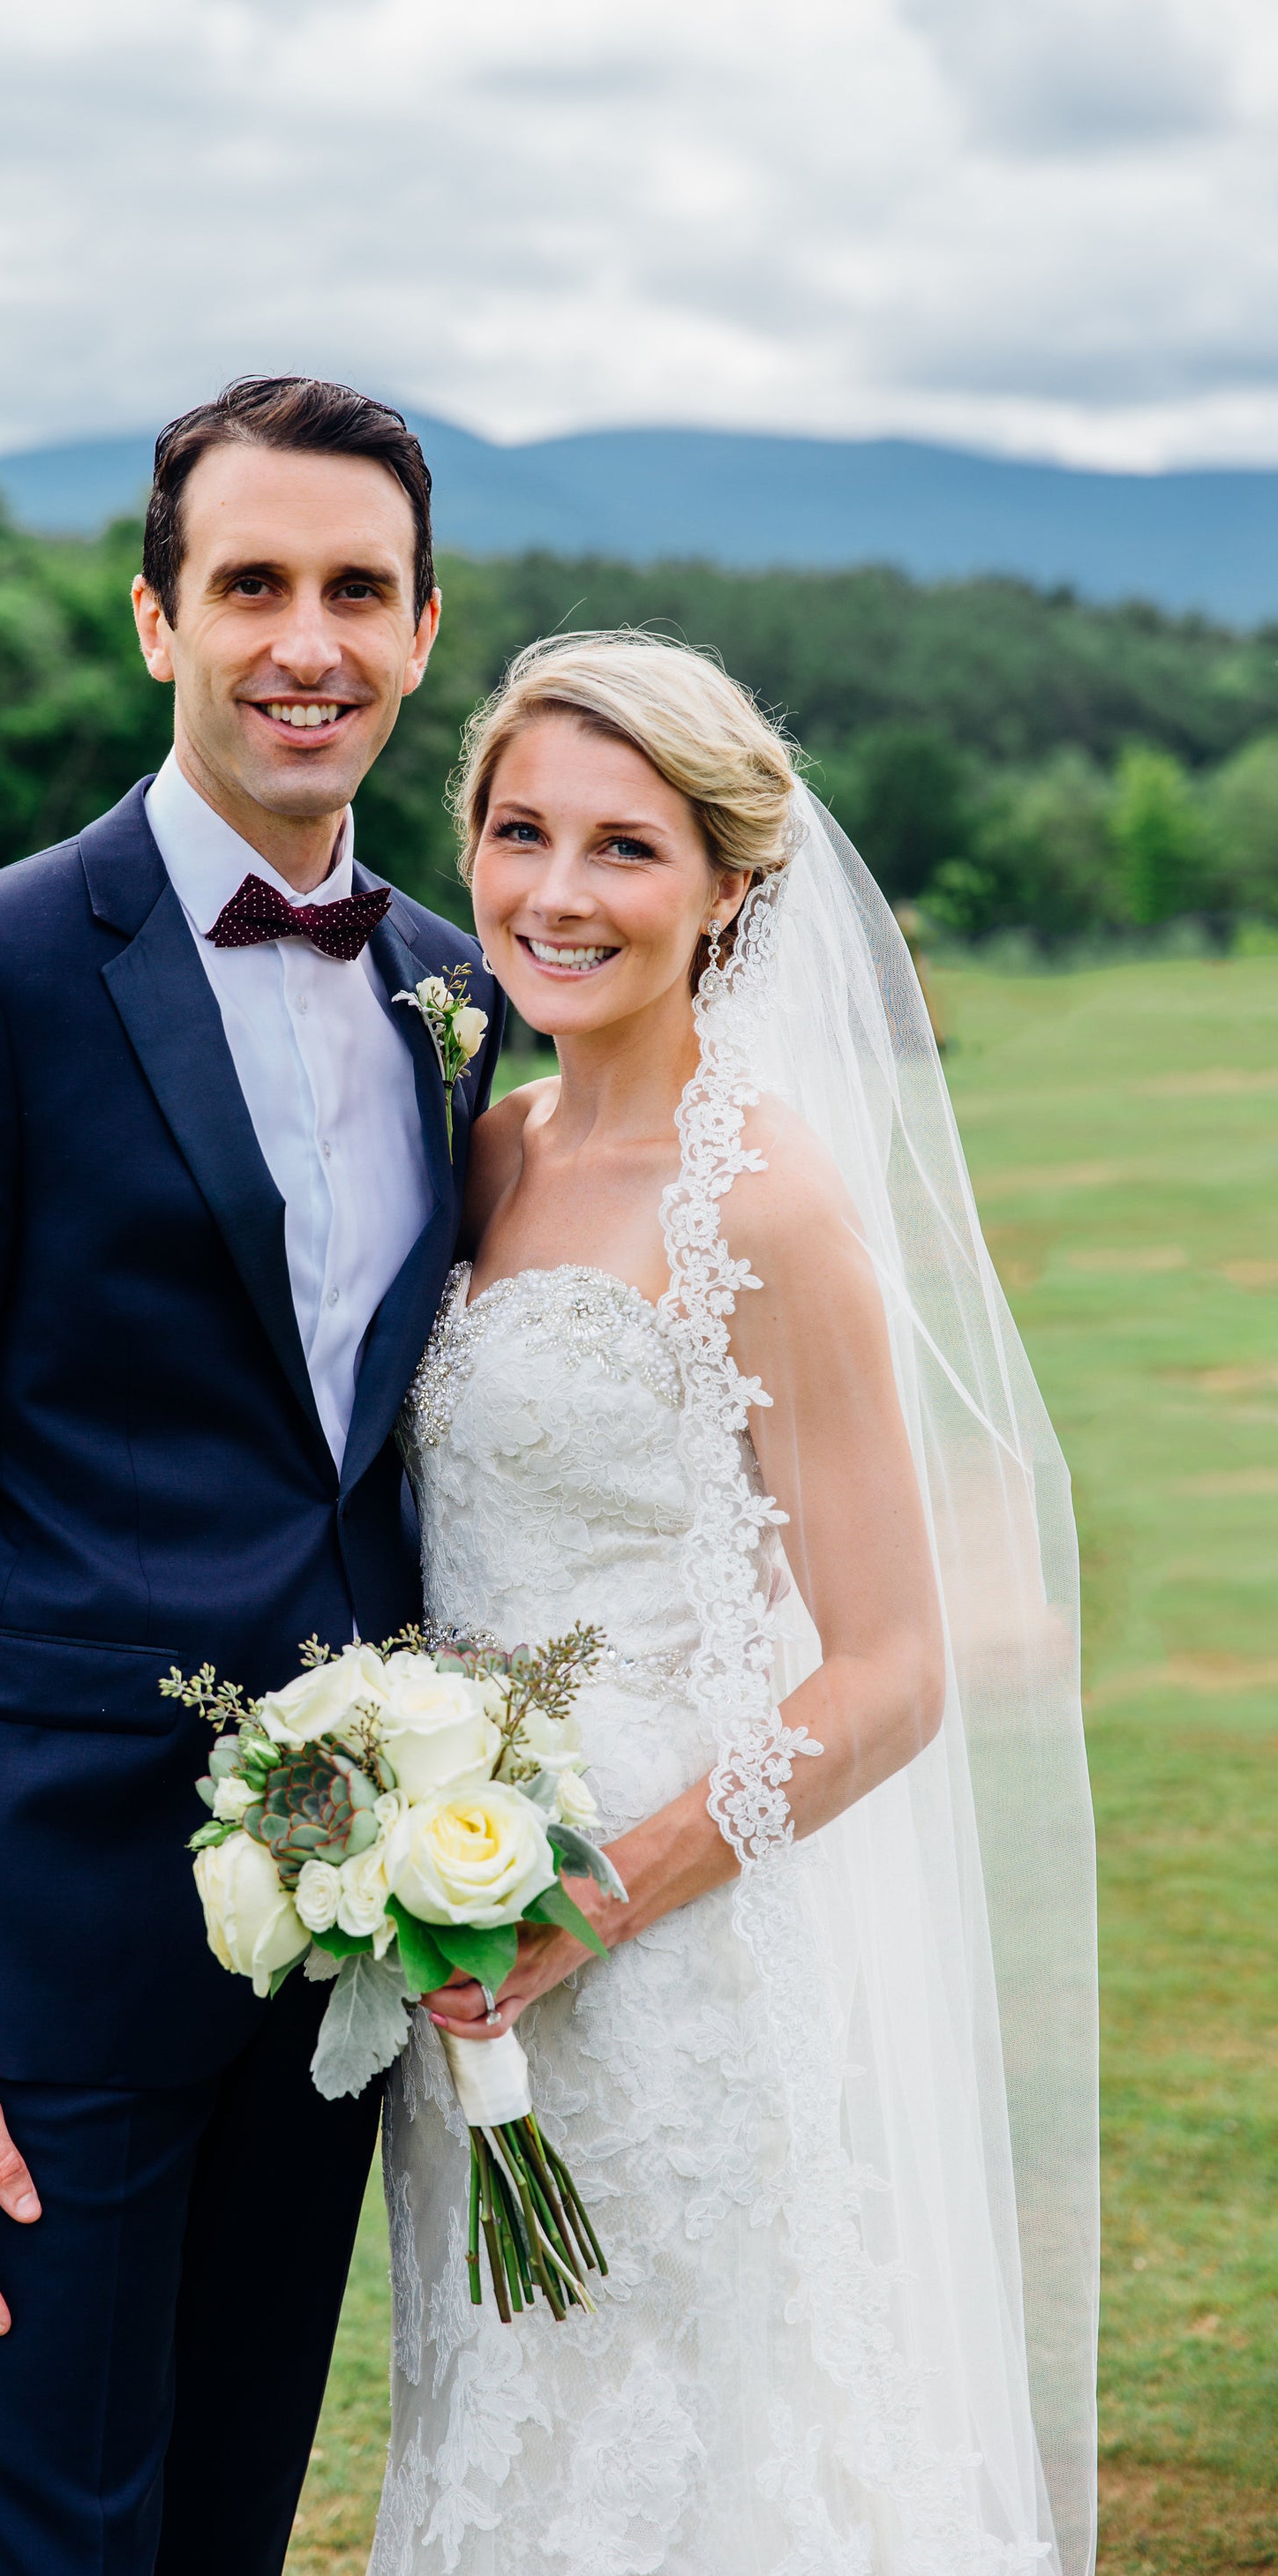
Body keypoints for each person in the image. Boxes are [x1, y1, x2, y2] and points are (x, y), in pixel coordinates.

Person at [0, 376, 504, 2576]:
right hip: (39, 1949)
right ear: (155, 621)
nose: (308, 639)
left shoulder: (456, 993)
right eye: (251, 582)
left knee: (229, 2525)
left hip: (335, 1935)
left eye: (355, 590)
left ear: (424, 630)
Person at [375, 634, 1099, 2575]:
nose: (552, 891)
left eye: (622, 848)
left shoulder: (764, 1205)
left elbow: (890, 1669)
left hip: (665, 1944)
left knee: (715, 2448)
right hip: (456, 1923)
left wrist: (584, 1898)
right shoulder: (479, 1152)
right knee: (506, 2415)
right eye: (517, 831)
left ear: (726, 891)